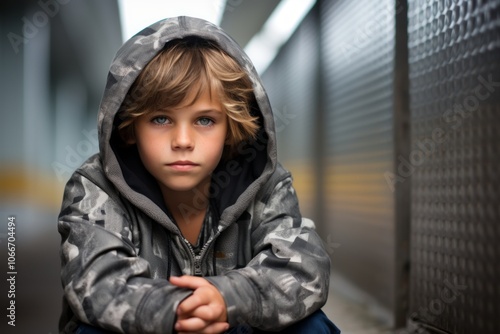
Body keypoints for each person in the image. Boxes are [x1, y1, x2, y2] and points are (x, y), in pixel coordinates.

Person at [58, 16, 340, 334]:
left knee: (312, 326)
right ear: (130, 126)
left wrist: (227, 297)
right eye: (161, 119)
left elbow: (307, 268)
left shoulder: (266, 186)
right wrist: (176, 309)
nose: (182, 141)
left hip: (230, 323)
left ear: (230, 128)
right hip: (150, 328)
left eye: (204, 120)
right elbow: (94, 283)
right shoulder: (97, 187)